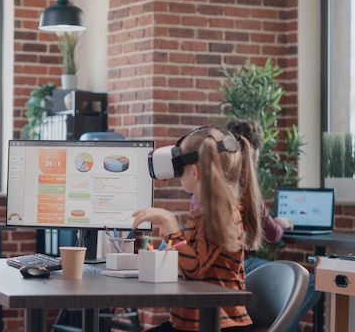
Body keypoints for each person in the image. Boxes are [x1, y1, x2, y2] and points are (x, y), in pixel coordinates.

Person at [133, 125, 262, 332]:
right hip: (196, 322)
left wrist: (171, 226)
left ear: (194, 172)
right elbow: (194, 263)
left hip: (217, 324)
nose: (178, 176)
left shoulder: (222, 213)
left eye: (179, 171)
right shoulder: (207, 212)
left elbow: (195, 269)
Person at [220, 120, 321, 332]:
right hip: (239, 265)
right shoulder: (244, 184)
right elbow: (272, 234)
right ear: (253, 151)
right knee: (312, 283)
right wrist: (282, 222)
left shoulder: (214, 179)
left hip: (222, 267)